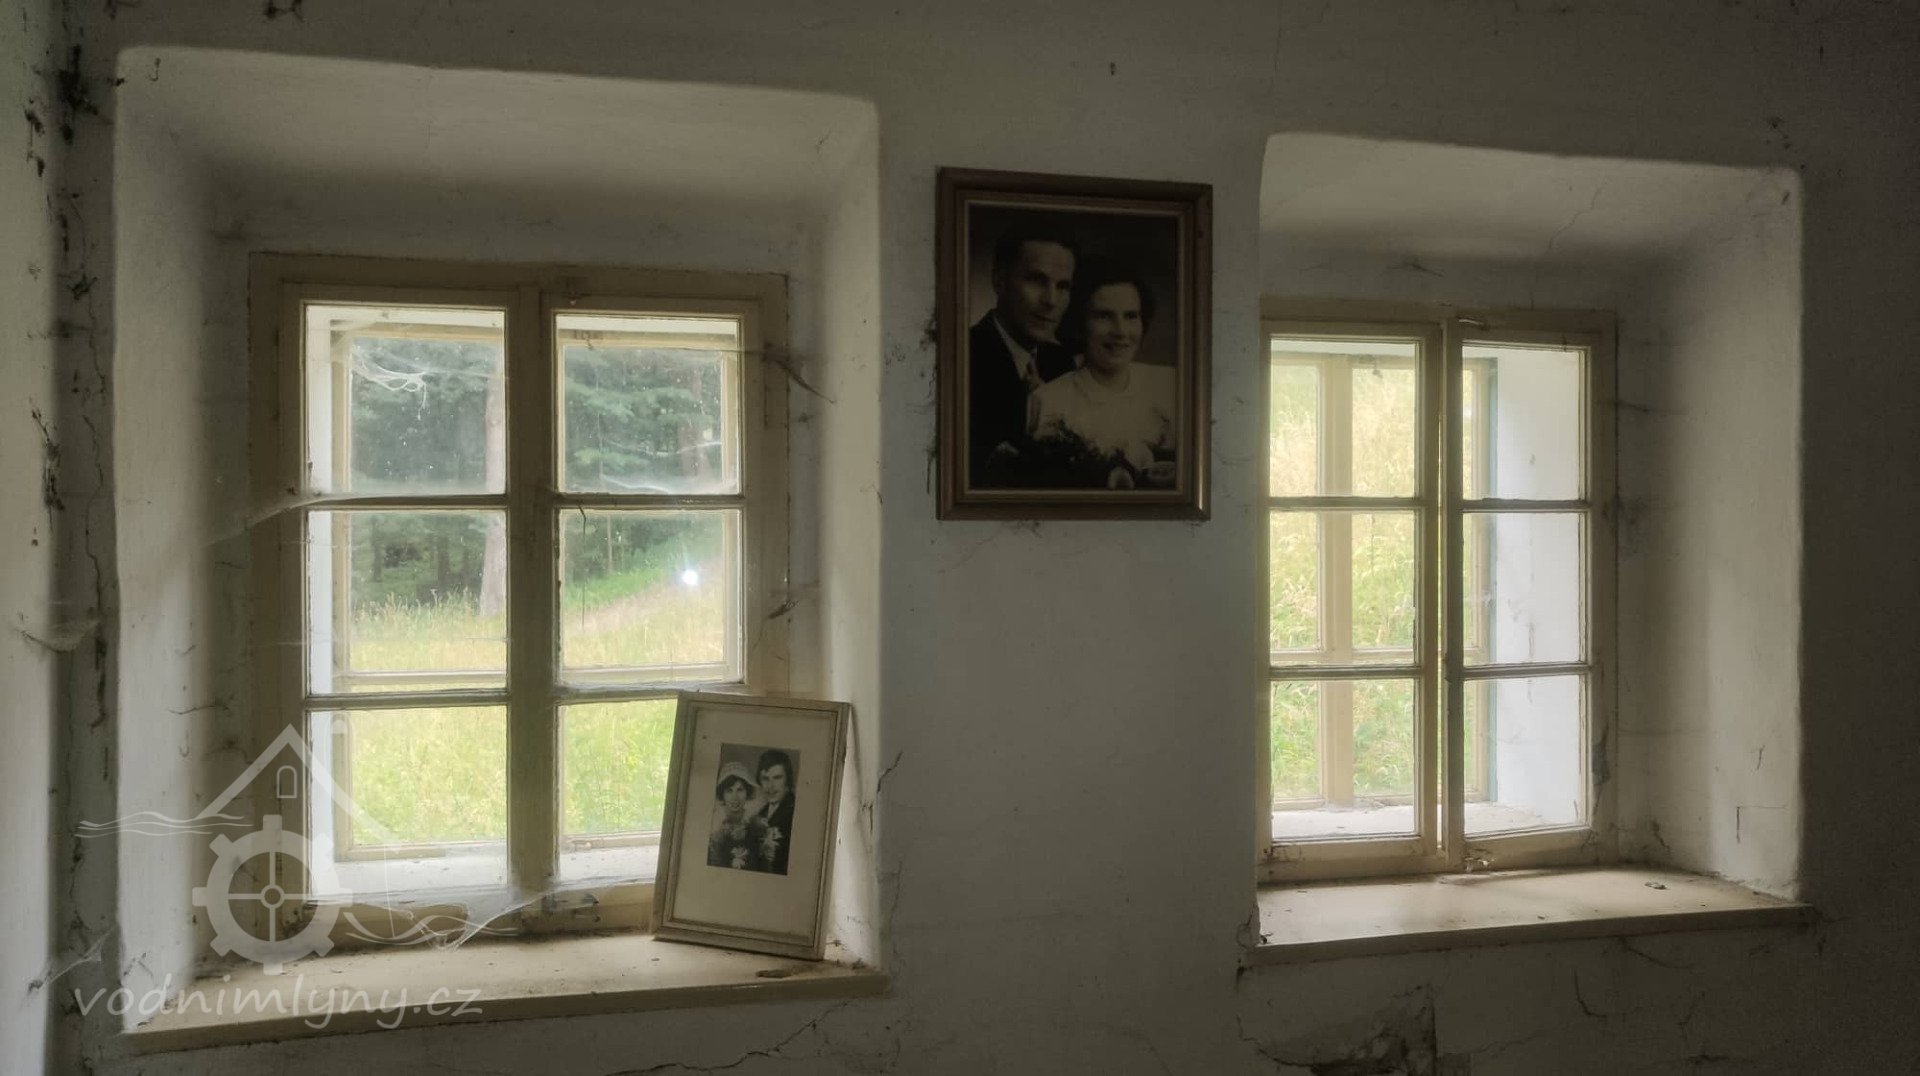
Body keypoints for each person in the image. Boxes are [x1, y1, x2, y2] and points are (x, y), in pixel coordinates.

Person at [1026, 262, 1177, 488]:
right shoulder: (1047, 401)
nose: (1121, 332)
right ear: (1079, 324)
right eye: (1104, 316)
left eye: (1131, 316)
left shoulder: (1170, 383)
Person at [968, 229, 1079, 486]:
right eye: (1037, 281)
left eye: (1063, 286)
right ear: (999, 282)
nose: (1051, 301)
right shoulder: (961, 356)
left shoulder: (1062, 362)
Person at [706, 762, 770, 871]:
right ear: (722, 795)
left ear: (747, 792)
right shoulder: (714, 830)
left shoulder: (758, 825)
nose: (735, 797)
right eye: (729, 791)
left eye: (740, 790)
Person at [753, 749, 797, 876]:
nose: (770, 786)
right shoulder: (760, 815)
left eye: (777, 778)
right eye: (765, 779)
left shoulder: (795, 813)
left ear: (788, 780)